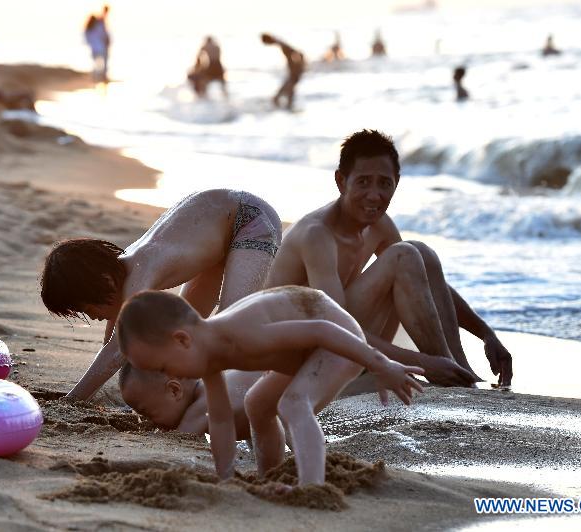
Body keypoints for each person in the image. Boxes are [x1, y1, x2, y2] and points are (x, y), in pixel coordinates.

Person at [265, 129, 514, 390]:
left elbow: (424, 280)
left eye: (384, 183)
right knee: (404, 255)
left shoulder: (378, 224)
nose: (374, 195)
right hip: (295, 359)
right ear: (341, 181)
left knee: (420, 253)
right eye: (363, 182)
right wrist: (422, 362)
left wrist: (486, 334)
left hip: (346, 345)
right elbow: (333, 327)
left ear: (397, 182)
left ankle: (458, 371)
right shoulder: (317, 234)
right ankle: (452, 376)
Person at [117, 286, 424, 485]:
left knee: (292, 403)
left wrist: (381, 364)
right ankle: (271, 476)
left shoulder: (241, 332)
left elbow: (321, 329)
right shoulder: (208, 359)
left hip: (337, 340)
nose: (169, 375)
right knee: (257, 404)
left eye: (163, 366)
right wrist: (225, 477)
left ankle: (311, 488)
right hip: (302, 354)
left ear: (182, 340)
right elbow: (221, 420)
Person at [41, 189, 282, 402]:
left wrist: (73, 399)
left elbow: (117, 349)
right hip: (217, 226)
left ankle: (264, 390)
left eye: (88, 309)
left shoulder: (142, 268)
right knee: (188, 331)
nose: (93, 318)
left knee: (230, 324)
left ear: (104, 283)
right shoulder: (122, 274)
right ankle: (186, 397)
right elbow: (114, 341)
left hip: (250, 221)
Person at [119, 364, 260, 439]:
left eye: (149, 413)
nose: (150, 422)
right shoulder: (209, 386)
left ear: (174, 391)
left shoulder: (204, 405)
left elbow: (181, 439)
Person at [260, 33, 305, 111]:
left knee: (286, 91)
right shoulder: (279, 42)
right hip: (294, 71)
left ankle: (286, 108)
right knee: (289, 91)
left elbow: (298, 53)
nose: (267, 45)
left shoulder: (281, 43)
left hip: (295, 71)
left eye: (266, 43)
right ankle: (288, 108)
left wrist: (297, 66)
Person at [83, 5, 110, 84]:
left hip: (95, 48)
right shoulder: (97, 27)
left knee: (96, 64)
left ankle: (95, 79)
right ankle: (101, 78)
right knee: (102, 64)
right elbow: (103, 34)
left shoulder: (88, 30)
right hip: (101, 48)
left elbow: (87, 40)